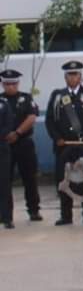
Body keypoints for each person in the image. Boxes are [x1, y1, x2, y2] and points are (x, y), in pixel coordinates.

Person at [45, 61, 83, 226]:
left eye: (75, 74)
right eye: (69, 75)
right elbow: (50, 120)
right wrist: (57, 138)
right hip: (65, 146)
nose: (72, 77)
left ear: (80, 76)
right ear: (65, 77)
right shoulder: (58, 96)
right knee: (64, 181)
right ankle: (66, 216)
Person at [2, 69, 42, 221]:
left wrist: (17, 133)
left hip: (24, 143)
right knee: (4, 180)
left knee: (30, 178)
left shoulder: (26, 98)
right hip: (4, 145)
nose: (10, 86)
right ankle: (5, 214)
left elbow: (31, 117)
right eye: (7, 84)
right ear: (2, 84)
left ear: (18, 83)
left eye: (13, 83)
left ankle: (34, 210)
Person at [0, 92, 13, 229]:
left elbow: (9, 124)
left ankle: (6, 217)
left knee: (4, 183)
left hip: (1, 148)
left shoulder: (3, 104)